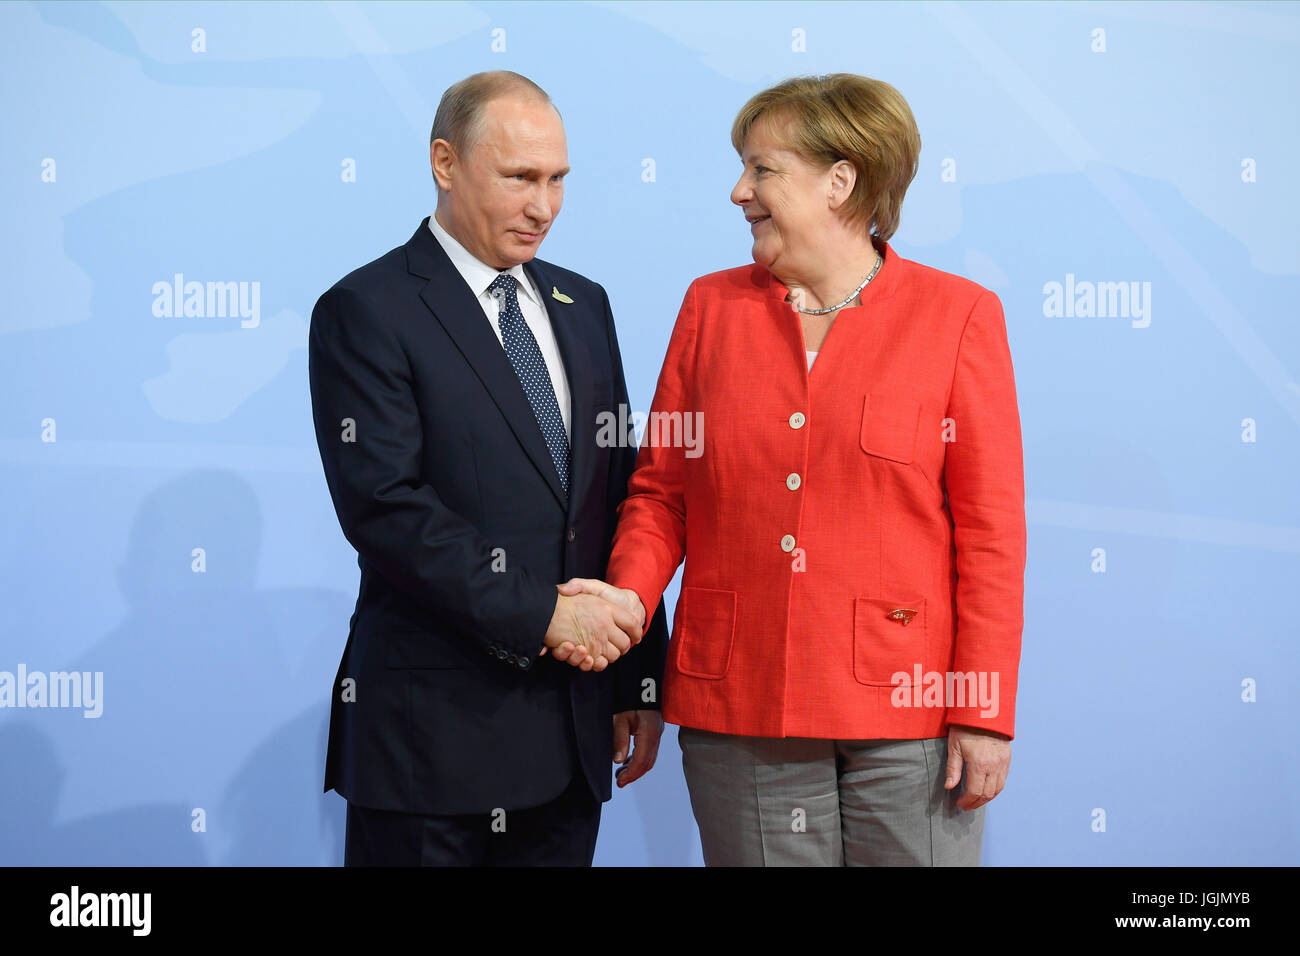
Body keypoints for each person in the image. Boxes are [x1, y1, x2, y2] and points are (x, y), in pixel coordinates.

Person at [561, 73, 1026, 866]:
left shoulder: (959, 316)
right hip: (740, 708)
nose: (738, 190)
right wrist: (628, 599)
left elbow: (989, 534)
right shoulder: (710, 308)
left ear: (841, 181)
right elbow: (662, 492)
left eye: (762, 169)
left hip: (908, 720)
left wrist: (982, 710)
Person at [308, 70, 667, 867]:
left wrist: (635, 677)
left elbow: (617, 495)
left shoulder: (586, 302)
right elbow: (387, 508)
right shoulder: (367, 309)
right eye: (520, 178)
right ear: (445, 162)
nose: (544, 206)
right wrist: (546, 614)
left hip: (571, 743)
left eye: (558, 180)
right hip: (430, 752)